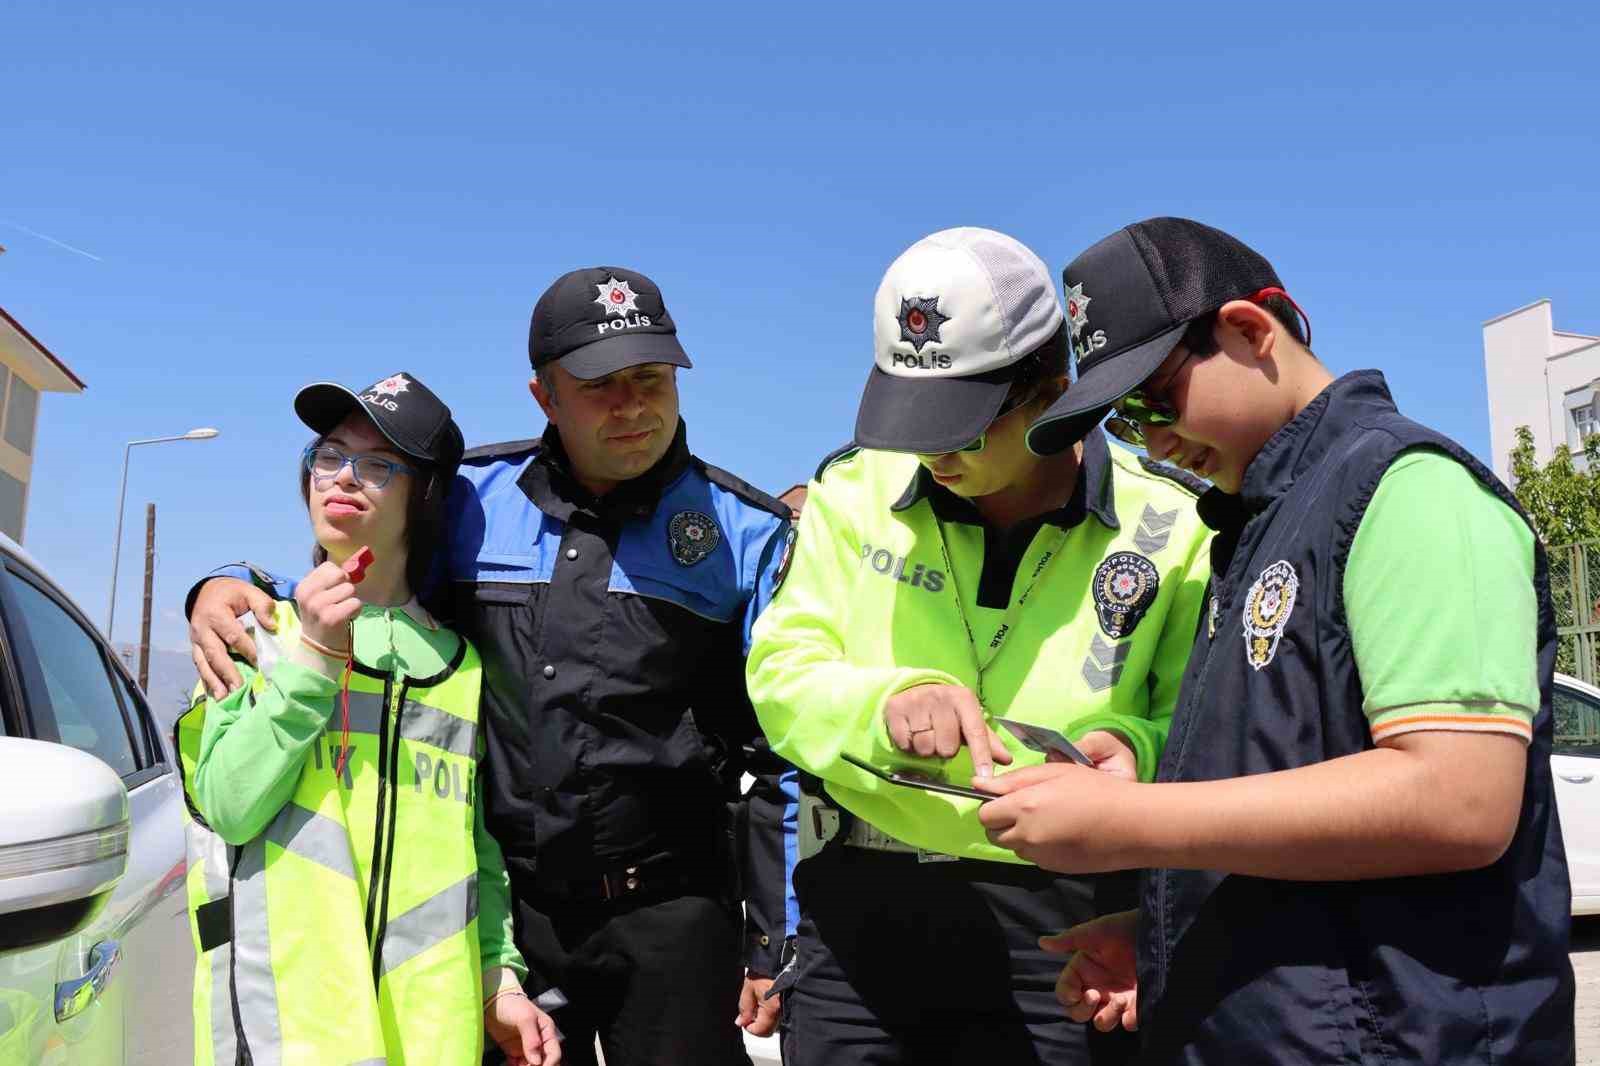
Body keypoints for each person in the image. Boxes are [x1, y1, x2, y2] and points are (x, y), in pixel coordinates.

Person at [976, 217, 1578, 1063]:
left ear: (1251, 330)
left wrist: (1130, 820)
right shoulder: (1257, 529)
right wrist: (1167, 931)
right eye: (1123, 422)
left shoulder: (1409, 492)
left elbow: (1458, 799)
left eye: (1154, 397)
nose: (1151, 439)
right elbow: (1290, 806)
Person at [185, 270, 793, 1066]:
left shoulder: (746, 533)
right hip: (516, 922)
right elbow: (362, 568)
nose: (634, 406)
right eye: (601, 386)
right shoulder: (474, 498)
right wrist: (230, 584)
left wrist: (773, 938)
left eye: (652, 379)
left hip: (675, 917)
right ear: (545, 396)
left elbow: (779, 754)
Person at [744, 227, 1212, 1065]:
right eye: (913, 420)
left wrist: (1132, 749)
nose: (934, 452)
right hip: (861, 918)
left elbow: (1199, 724)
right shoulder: (852, 492)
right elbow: (781, 672)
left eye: (963, 426)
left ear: (1056, 390)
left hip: (1070, 926)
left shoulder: (1174, 528)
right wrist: (882, 704)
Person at [174, 372, 561, 1065]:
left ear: (426, 497)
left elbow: (479, 851)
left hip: (429, 1037)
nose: (343, 478)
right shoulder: (254, 631)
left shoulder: (461, 665)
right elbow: (229, 806)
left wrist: (499, 978)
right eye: (329, 456)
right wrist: (315, 659)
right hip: (287, 1035)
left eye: (379, 465)